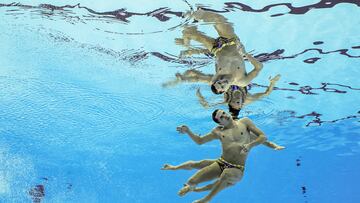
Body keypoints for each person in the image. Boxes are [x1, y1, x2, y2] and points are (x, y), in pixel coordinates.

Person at [163, 109, 283, 203]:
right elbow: (200, 141)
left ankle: (206, 199)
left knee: (225, 175)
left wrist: (253, 146)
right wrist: (188, 131)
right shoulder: (218, 131)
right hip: (221, 163)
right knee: (192, 180)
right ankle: (189, 185)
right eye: (221, 117)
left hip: (237, 169)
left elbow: (263, 137)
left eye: (224, 113)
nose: (224, 116)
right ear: (220, 123)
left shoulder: (245, 122)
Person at [162, 9, 263, 93]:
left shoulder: (216, 77)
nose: (222, 82)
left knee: (188, 31)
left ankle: (186, 42)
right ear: (226, 90)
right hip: (231, 41)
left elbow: (199, 79)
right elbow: (259, 67)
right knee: (218, 19)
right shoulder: (242, 81)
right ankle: (194, 17)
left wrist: (182, 79)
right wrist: (245, 54)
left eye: (219, 83)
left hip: (215, 48)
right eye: (223, 86)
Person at [196, 74, 281, 118]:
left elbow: (207, 106)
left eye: (233, 101)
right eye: (238, 102)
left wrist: (199, 95)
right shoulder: (248, 99)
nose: (237, 98)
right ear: (241, 105)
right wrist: (273, 82)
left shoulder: (227, 100)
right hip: (243, 82)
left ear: (230, 102)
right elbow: (266, 93)